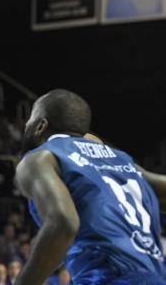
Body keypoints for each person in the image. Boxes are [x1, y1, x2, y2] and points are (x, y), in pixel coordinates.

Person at [15, 89, 166, 284]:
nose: (26, 124)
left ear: (40, 125)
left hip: (107, 277)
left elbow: (63, 224)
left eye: (29, 119)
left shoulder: (39, 159)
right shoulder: (121, 161)